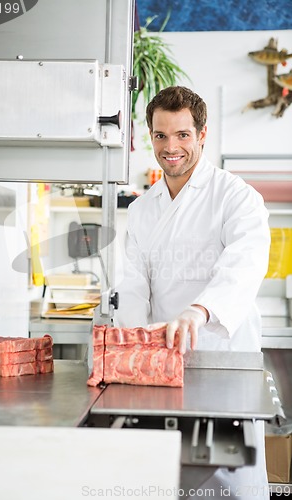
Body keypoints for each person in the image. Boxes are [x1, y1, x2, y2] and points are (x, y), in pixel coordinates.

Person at [115, 86, 271, 499]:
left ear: (202, 135)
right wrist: (133, 342)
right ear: (151, 136)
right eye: (161, 136)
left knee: (230, 478)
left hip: (222, 359)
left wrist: (198, 311)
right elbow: (133, 284)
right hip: (162, 364)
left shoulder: (236, 197)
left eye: (182, 135)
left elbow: (245, 263)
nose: (171, 147)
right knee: (167, 478)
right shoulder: (141, 209)